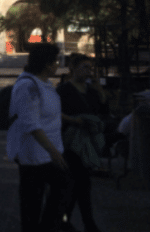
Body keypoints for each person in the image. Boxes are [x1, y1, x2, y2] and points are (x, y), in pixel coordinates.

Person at [6, 43, 69, 232]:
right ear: (47, 64)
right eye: (55, 61)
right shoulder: (28, 86)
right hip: (34, 154)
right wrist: (53, 152)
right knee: (32, 203)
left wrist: (73, 121)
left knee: (62, 189)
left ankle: (51, 226)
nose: (57, 65)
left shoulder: (45, 84)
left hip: (49, 151)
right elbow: (31, 124)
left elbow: (50, 114)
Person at [57, 53, 107, 232]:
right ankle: (85, 223)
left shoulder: (92, 91)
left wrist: (101, 94)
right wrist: (73, 121)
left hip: (88, 141)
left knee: (80, 183)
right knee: (79, 183)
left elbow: (101, 112)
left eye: (90, 68)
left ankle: (68, 221)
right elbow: (56, 114)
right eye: (85, 67)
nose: (88, 71)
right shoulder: (63, 90)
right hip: (71, 142)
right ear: (73, 68)